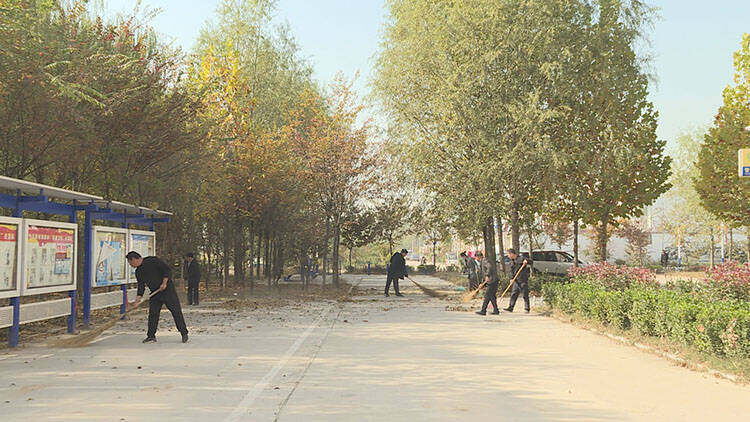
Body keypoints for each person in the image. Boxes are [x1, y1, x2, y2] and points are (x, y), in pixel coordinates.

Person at [127, 251, 189, 343]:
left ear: (134, 259)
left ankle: (184, 333)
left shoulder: (153, 260)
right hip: (155, 293)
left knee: (176, 311)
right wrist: (137, 301)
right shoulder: (138, 272)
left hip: (167, 290)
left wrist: (164, 283)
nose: (130, 265)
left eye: (130, 262)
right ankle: (151, 336)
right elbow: (141, 287)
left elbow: (167, 270)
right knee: (153, 314)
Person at [504, 248, 532, 313]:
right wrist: (511, 278)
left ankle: (527, 308)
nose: (508, 256)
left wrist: (526, 261)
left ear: (512, 254)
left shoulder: (521, 258)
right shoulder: (512, 262)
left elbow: (531, 261)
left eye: (508, 254)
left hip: (522, 280)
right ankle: (511, 307)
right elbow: (511, 271)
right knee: (514, 294)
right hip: (516, 281)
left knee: (525, 294)